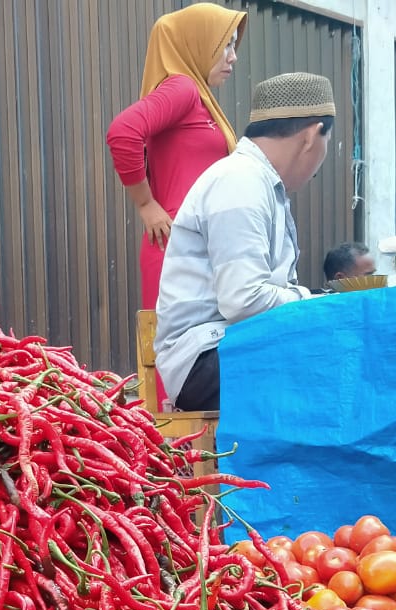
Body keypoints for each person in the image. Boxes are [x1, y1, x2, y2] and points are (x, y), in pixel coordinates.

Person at [155, 72, 335, 412]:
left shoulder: (260, 183)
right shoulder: (241, 182)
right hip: (207, 360)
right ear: (313, 135)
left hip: (230, 348)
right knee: (336, 371)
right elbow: (244, 300)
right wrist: (311, 300)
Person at [106, 2, 247, 411]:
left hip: (197, 248)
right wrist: (147, 203)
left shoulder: (202, 101)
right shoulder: (182, 88)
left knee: (198, 356)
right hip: (173, 247)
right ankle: (176, 461)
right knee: (178, 364)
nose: (233, 57)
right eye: (226, 45)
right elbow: (123, 132)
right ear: (197, 44)